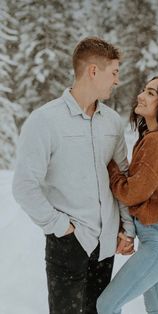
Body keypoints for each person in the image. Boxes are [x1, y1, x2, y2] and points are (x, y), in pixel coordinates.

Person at [12, 37, 135, 314]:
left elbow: (123, 179)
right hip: (68, 245)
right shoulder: (45, 121)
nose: (117, 80)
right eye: (114, 72)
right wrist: (61, 228)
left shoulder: (113, 122)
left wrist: (127, 228)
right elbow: (24, 186)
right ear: (93, 71)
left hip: (105, 246)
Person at [97, 75, 158, 314]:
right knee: (156, 310)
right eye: (144, 89)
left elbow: (133, 193)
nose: (141, 95)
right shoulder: (153, 139)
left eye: (150, 93)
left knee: (106, 305)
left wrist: (110, 168)